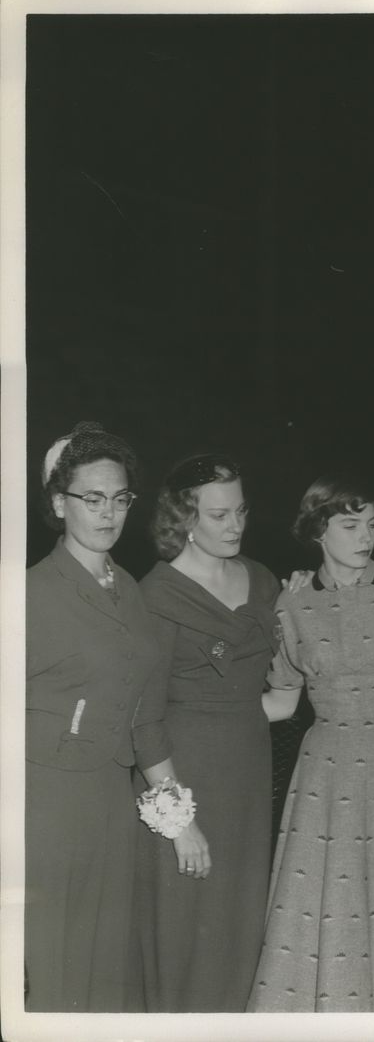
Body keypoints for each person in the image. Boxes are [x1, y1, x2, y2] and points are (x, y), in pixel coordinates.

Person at [249, 476, 374, 1012]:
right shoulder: (291, 603)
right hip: (325, 773)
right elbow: (280, 699)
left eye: (371, 524)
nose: (365, 536)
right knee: (323, 901)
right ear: (318, 531)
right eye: (349, 525)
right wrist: (203, 716)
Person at [24, 422, 173, 1011]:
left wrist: (174, 813)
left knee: (105, 967)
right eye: (92, 498)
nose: (108, 512)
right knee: (52, 962)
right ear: (59, 504)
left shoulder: (130, 591)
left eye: (120, 498)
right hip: (47, 805)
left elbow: (146, 717)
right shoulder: (30, 593)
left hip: (114, 803)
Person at [130, 453, 280, 1011]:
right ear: (184, 518)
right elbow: (143, 720)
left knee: (238, 926)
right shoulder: (157, 596)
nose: (235, 526)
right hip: (182, 778)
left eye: (240, 511)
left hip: (247, 774)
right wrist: (179, 821)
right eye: (218, 516)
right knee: (184, 926)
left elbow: (275, 699)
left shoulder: (263, 582)